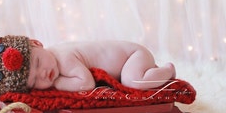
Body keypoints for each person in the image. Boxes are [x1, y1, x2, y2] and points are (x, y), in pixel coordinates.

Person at [27, 39, 176, 92]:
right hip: (131, 58)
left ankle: (168, 70)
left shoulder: (63, 58)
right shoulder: (53, 53)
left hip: (133, 56)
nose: (42, 74)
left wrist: (58, 83)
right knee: (132, 77)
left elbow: (86, 83)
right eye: (34, 81)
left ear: (37, 44)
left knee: (132, 82)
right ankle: (152, 72)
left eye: (38, 63)